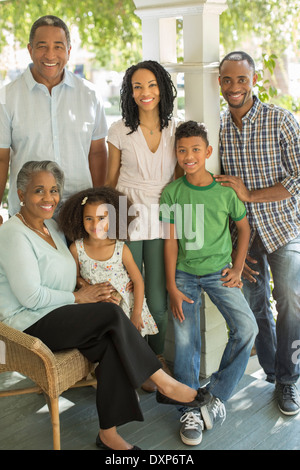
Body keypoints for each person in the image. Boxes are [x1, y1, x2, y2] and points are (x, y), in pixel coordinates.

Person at [0, 160, 211, 451]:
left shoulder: (50, 227)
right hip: (29, 323)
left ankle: (108, 434)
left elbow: (68, 274)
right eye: (39, 191)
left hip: (59, 314)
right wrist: (81, 298)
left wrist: (87, 289)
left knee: (112, 342)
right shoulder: (13, 234)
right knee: (111, 313)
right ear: (21, 194)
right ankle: (162, 381)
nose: (49, 198)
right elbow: (31, 298)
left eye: (53, 190)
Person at [159, 121, 258, 446]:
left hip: (220, 272)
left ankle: (214, 397)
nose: (189, 156)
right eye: (182, 150)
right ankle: (189, 408)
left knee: (247, 328)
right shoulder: (172, 193)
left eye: (195, 150)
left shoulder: (225, 190)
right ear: (176, 154)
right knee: (186, 343)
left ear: (208, 152)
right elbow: (170, 242)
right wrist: (172, 285)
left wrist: (238, 266)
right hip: (184, 275)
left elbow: (243, 229)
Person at [215, 50, 300, 416]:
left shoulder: (281, 121)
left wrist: (250, 194)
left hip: (282, 228)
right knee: (255, 305)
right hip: (245, 235)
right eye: (228, 79)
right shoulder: (217, 127)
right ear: (220, 82)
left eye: (242, 79)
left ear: (253, 81)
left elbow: (297, 178)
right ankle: (271, 371)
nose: (235, 87)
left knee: (291, 301)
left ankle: (289, 380)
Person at [106, 60, 182, 391]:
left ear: (162, 88)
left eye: (151, 85)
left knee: (157, 300)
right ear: (129, 92)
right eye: (137, 86)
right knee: (128, 294)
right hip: (125, 212)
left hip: (163, 212)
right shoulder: (118, 129)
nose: (145, 92)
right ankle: (132, 362)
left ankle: (156, 362)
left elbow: (181, 179)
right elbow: (109, 181)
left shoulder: (177, 129)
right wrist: (105, 225)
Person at [0, 15, 108, 217]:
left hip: (81, 213)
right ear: (30, 50)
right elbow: (1, 160)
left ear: (68, 51)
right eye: (42, 46)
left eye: (58, 46)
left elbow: (97, 153)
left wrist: (99, 202)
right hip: (30, 215)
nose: (50, 55)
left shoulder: (90, 95)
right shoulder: (7, 98)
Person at [58, 186, 158, 337]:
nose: (95, 224)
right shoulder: (76, 249)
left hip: (126, 307)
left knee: (131, 344)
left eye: (101, 218)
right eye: (89, 218)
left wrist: (136, 314)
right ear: (80, 219)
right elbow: (75, 277)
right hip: (95, 306)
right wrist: (86, 286)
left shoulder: (120, 249)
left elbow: (138, 281)